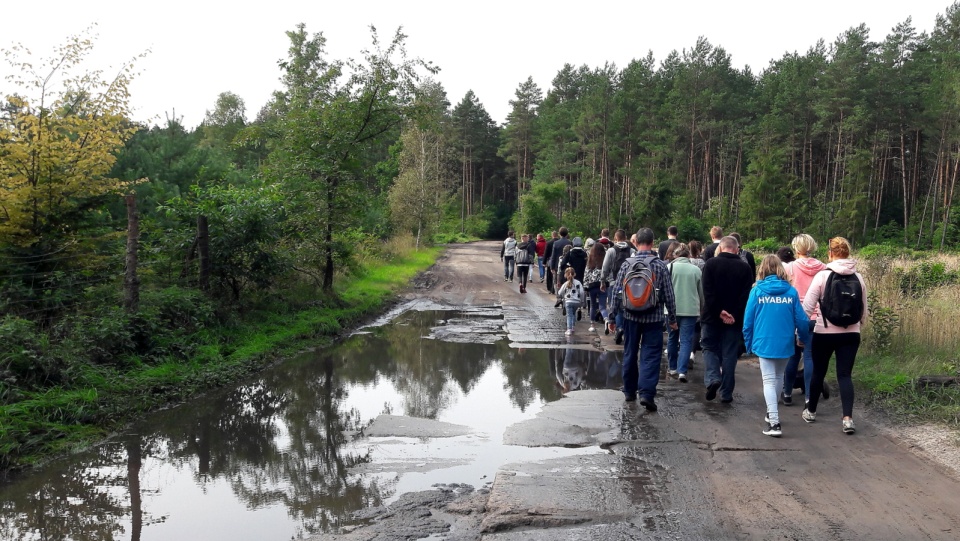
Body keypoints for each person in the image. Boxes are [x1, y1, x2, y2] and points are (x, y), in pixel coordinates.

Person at [606, 228, 678, 412]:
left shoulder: (626, 265)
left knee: (630, 352)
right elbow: (669, 295)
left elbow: (616, 293)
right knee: (651, 355)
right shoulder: (660, 265)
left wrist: (612, 317)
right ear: (652, 243)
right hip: (653, 318)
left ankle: (630, 391)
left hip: (630, 316)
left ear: (636, 242)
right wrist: (672, 318)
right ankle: (646, 394)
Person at [801, 237, 868, 435]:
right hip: (851, 334)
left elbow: (808, 307)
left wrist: (801, 330)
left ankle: (811, 411)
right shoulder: (859, 277)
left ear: (830, 253)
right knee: (845, 375)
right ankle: (847, 419)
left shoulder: (822, 276)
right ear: (848, 252)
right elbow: (864, 308)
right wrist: (857, 326)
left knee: (818, 372)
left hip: (824, 332)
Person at [742, 255, 812, 437]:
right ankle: (771, 413)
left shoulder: (757, 291)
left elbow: (748, 321)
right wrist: (803, 337)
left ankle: (774, 422)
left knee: (768, 380)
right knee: (778, 376)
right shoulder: (791, 292)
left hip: (764, 341)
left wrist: (747, 344)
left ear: (762, 269)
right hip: (785, 341)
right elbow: (802, 320)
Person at [700, 236, 754, 403]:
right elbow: (746, 296)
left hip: (711, 316)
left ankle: (713, 377)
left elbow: (707, 293)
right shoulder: (745, 268)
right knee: (729, 353)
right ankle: (726, 393)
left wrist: (719, 311)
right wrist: (734, 315)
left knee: (709, 347)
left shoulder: (710, 264)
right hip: (734, 319)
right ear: (737, 249)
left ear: (721, 248)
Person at [782, 234, 827, 406]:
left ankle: (787, 393)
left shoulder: (790, 268)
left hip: (795, 316)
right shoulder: (823, 268)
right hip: (817, 317)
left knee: (793, 356)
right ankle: (809, 396)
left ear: (795, 248)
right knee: (810, 358)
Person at [666, 243, 704, 383]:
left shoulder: (669, 268)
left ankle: (672, 368)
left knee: (672, 338)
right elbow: (701, 293)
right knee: (686, 340)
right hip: (690, 310)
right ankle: (682, 371)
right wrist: (701, 308)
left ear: (675, 255)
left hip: (671, 310)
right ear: (688, 255)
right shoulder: (696, 270)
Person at [601, 229, 634, 344]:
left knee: (616, 306)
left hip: (613, 283)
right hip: (629, 284)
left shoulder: (611, 251)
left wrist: (602, 281)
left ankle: (619, 328)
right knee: (627, 307)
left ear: (615, 238)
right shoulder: (632, 251)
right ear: (626, 238)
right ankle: (626, 330)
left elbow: (605, 267)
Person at [584, 242, 608, 332]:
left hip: (592, 285)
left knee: (593, 305)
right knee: (602, 306)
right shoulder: (605, 259)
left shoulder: (590, 259)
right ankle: (606, 319)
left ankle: (592, 325)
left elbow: (586, 273)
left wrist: (585, 286)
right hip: (603, 285)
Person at [557, 266, 586, 336]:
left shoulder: (565, 284)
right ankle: (572, 327)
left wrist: (563, 295)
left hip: (568, 302)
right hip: (577, 302)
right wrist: (582, 301)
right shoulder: (578, 283)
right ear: (574, 274)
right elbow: (582, 292)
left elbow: (560, 293)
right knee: (573, 313)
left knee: (569, 315)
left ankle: (569, 329)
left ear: (565, 275)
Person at [550, 227, 572, 293]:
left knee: (556, 281)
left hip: (557, 264)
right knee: (567, 280)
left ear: (559, 234)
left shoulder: (556, 243)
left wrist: (552, 267)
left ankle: (558, 295)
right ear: (567, 233)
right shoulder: (570, 242)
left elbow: (553, 256)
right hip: (567, 265)